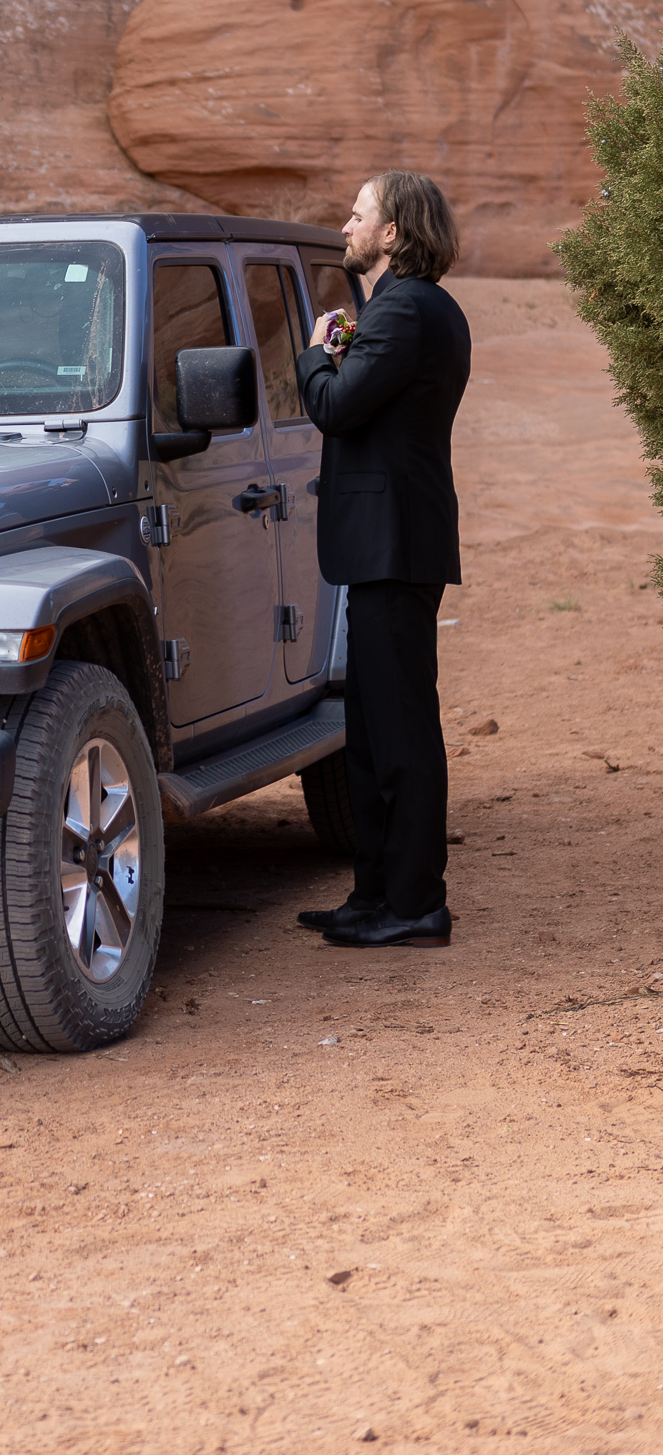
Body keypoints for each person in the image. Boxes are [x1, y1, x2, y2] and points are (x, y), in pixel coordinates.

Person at [293, 172, 470, 949]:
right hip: (384, 545)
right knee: (368, 730)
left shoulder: (405, 307)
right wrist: (341, 345)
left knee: (398, 731)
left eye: (358, 215)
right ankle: (373, 896)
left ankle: (414, 903)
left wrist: (311, 356)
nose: (346, 224)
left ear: (392, 233)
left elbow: (335, 407)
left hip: (394, 544)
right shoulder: (403, 307)